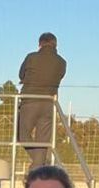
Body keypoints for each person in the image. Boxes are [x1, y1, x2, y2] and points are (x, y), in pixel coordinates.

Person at [17, 32, 66, 168]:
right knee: (43, 141)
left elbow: (21, 74)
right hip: (49, 103)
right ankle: (39, 164)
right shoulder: (62, 62)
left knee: (21, 134)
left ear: (40, 44)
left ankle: (39, 163)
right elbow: (59, 76)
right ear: (55, 45)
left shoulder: (31, 57)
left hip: (30, 101)